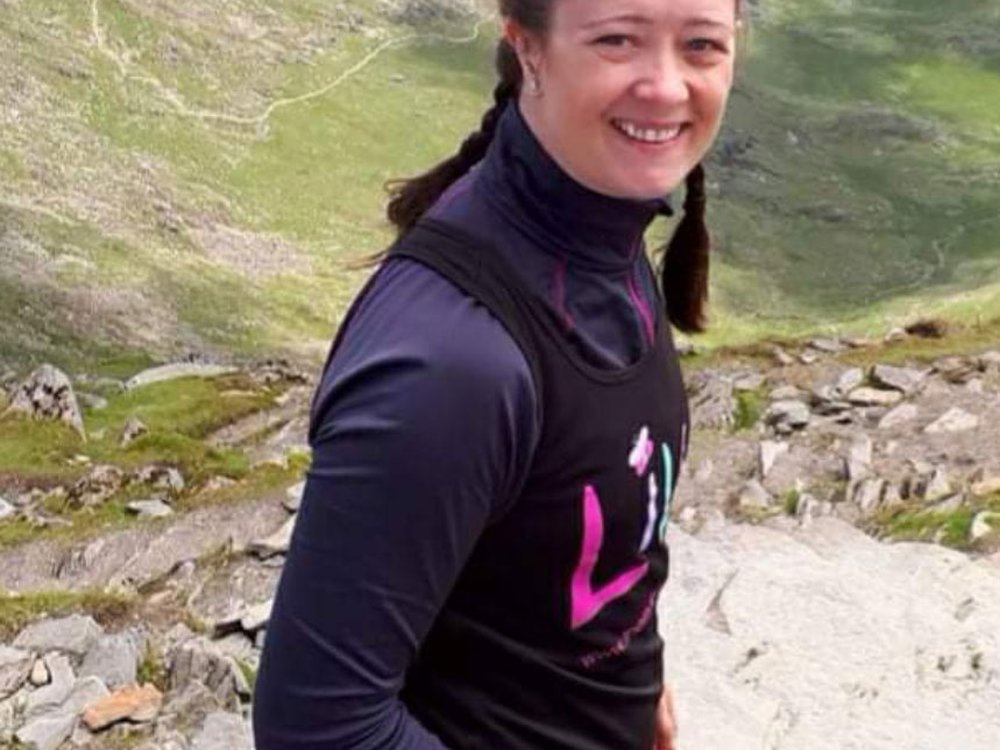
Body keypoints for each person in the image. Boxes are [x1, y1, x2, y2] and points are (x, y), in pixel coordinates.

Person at [253, 0, 740, 747]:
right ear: (527, 47)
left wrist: (635, 684)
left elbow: (586, 532)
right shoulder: (453, 364)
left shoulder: (596, 219)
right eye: (618, 40)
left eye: (702, 45)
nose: (667, 86)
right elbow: (319, 728)